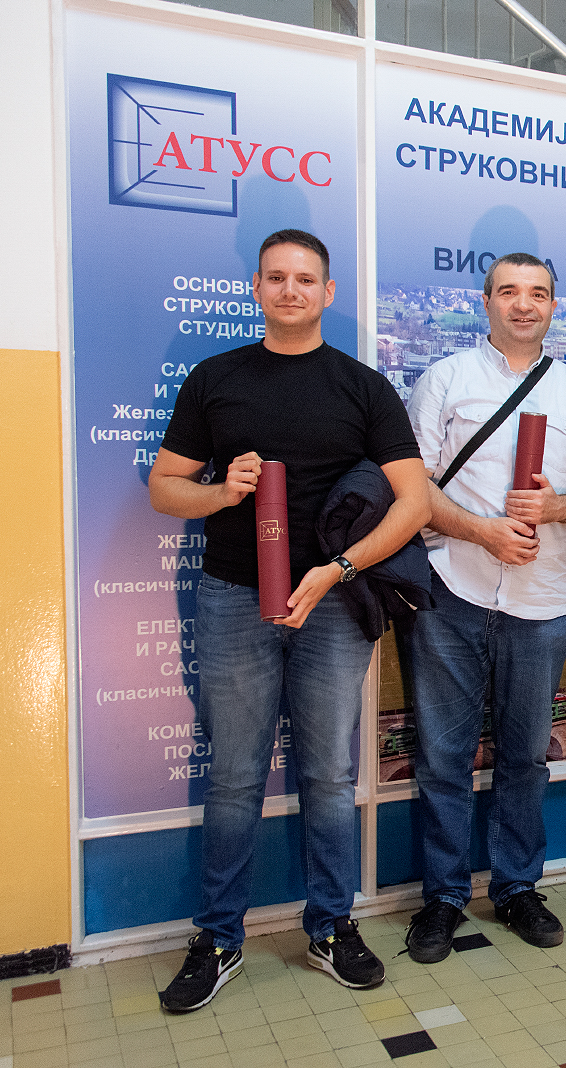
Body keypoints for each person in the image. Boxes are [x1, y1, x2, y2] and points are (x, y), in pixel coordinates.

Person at [149, 229, 431, 1011]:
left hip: (333, 603)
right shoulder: (216, 379)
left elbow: (413, 503)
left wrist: (340, 568)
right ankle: (218, 938)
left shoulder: (363, 387)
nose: (290, 290)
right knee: (235, 775)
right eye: (276, 278)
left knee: (329, 777)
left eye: (305, 279)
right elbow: (164, 487)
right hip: (233, 597)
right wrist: (222, 492)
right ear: (257, 287)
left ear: (327, 292)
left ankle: (331, 927)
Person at [401, 254, 566, 958]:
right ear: (486, 300)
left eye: (539, 294)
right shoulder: (446, 379)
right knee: (443, 757)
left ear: (554, 306)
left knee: (525, 756)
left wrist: (555, 508)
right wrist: (481, 531)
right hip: (451, 591)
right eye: (510, 292)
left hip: (541, 600)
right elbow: (414, 486)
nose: (524, 305)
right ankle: (443, 898)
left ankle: (518, 887)